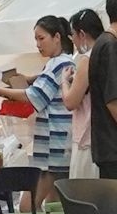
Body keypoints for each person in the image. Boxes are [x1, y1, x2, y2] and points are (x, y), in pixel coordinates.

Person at [75, 5, 117, 181]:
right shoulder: (108, 46)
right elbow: (114, 100)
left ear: (82, 34)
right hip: (109, 140)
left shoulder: (97, 50)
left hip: (95, 138)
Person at [24, 14, 80, 179]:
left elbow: (35, 95)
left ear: (57, 37)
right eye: (36, 40)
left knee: (32, 199)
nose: (38, 44)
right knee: (54, 198)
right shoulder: (61, 62)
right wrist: (31, 78)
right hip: (58, 141)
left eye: (41, 38)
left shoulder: (59, 63)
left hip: (55, 142)